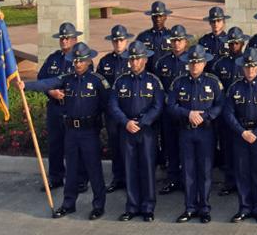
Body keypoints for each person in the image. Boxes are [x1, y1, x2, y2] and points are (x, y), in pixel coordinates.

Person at [22, 42, 109, 220]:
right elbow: (47, 83)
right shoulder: (67, 79)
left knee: (94, 170)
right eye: (75, 61)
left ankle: (98, 205)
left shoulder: (98, 81)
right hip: (71, 132)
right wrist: (25, 85)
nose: (77, 64)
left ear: (88, 61)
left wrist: (102, 127)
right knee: (71, 170)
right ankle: (69, 204)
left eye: (81, 61)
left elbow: (106, 106)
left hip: (89, 132)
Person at [107, 41, 164, 222]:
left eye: (138, 59)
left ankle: (147, 207)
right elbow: (113, 105)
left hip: (146, 132)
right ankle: (132, 206)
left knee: (147, 168)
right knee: (130, 169)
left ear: (145, 60)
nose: (134, 62)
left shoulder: (153, 81)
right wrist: (126, 122)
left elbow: (158, 106)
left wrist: (143, 122)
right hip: (127, 130)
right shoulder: (120, 81)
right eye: (131, 59)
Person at [167, 45, 223, 224]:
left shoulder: (213, 82)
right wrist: (188, 114)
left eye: (198, 62)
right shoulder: (179, 82)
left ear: (204, 63)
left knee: (205, 171)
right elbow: (171, 105)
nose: (194, 66)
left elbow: (220, 105)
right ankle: (190, 208)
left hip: (206, 132)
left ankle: (204, 208)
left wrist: (205, 116)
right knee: (189, 171)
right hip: (186, 132)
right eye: (191, 62)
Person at [224, 48, 257, 224]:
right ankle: (244, 208)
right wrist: (242, 131)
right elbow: (229, 113)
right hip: (241, 135)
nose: (250, 70)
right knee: (242, 172)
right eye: (247, 67)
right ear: (242, 68)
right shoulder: (234, 87)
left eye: (253, 66)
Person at [38, 22, 82, 192]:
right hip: (55, 107)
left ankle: (79, 179)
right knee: (55, 144)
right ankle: (56, 177)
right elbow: (42, 79)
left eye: (67, 38)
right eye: (62, 38)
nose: (64, 41)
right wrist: (51, 92)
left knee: (75, 145)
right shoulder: (53, 59)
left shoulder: (81, 59)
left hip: (73, 108)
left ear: (74, 39)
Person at [150, 24, 191, 196]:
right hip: (168, 113)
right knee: (170, 145)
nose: (176, 44)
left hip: (187, 113)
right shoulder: (162, 62)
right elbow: (157, 88)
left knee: (187, 148)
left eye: (179, 40)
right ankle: (173, 179)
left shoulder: (192, 60)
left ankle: (188, 181)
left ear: (185, 41)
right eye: (173, 40)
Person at [209, 27, 249, 196]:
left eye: (237, 43)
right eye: (231, 43)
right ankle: (230, 181)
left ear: (242, 43)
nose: (234, 46)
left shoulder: (248, 64)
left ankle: (244, 183)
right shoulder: (219, 64)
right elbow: (214, 90)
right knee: (227, 149)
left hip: (244, 113)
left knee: (244, 152)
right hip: (225, 114)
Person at [97, 24, 133, 194]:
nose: (118, 43)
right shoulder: (105, 61)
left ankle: (130, 178)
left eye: (121, 40)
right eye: (115, 40)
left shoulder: (133, 60)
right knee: (115, 146)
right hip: (112, 113)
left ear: (126, 40)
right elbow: (100, 85)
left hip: (128, 112)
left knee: (129, 146)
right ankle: (118, 178)